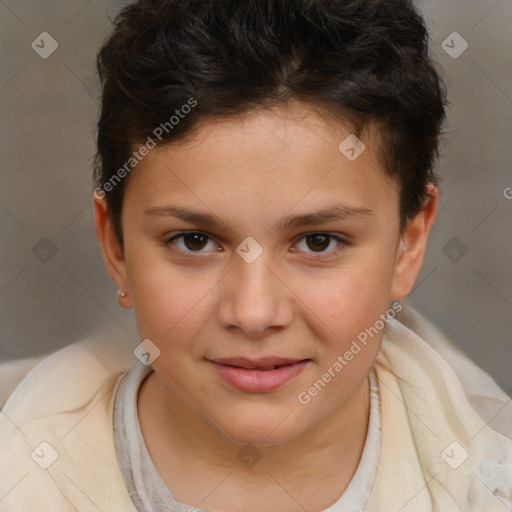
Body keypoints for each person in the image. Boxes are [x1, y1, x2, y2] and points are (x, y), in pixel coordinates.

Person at [1, 0, 511, 510]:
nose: (253, 313)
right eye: (194, 241)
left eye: (318, 241)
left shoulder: (489, 483)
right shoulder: (20, 475)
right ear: (116, 246)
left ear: (409, 242)